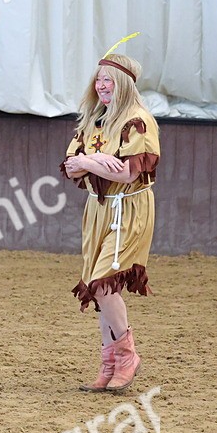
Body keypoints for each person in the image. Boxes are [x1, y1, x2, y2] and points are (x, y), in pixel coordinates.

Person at [60, 50, 160, 393]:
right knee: (98, 288)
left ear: (124, 85)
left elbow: (130, 171)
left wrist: (90, 161)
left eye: (110, 80)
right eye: (99, 79)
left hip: (128, 208)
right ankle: (109, 365)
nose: (103, 86)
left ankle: (127, 355)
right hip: (98, 208)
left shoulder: (137, 120)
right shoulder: (92, 119)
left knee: (104, 282)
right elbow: (71, 165)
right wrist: (96, 160)